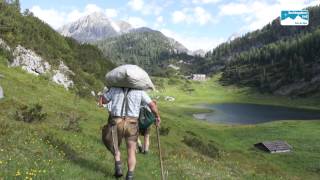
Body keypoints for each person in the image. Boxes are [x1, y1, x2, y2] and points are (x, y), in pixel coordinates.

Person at [99, 87, 160, 180]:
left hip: (116, 122)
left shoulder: (115, 89)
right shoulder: (140, 92)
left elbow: (103, 101)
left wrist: (101, 96)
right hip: (132, 123)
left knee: (112, 143)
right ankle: (130, 175)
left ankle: (118, 163)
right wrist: (157, 116)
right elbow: (152, 105)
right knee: (131, 151)